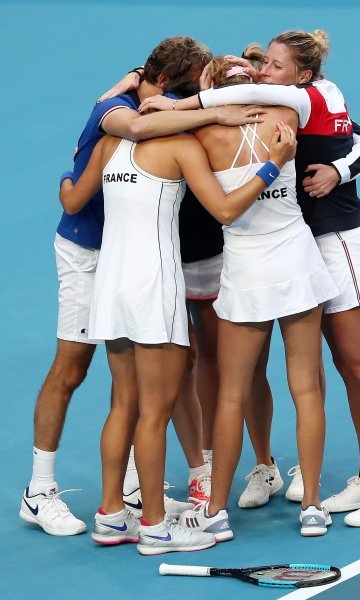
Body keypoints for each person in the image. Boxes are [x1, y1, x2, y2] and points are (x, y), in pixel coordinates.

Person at [19, 35, 265, 537]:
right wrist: (232, 128)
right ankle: (57, 496)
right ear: (164, 88)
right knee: (95, 378)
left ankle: (119, 506)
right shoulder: (120, 116)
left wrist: (68, 180)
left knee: (126, 397)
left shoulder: (128, 127)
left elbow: (71, 194)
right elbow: (216, 203)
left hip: (114, 268)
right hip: (105, 262)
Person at [178, 29, 360, 526]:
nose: (266, 72)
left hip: (340, 245)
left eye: (275, 66)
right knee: (347, 373)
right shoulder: (293, 108)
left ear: (302, 78)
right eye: (262, 64)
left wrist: (338, 170)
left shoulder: (309, 101)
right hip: (307, 252)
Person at [59, 113, 297, 552]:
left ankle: (111, 516)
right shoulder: (182, 148)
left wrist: (68, 168)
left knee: (122, 404)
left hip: (110, 286)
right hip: (154, 289)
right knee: (155, 412)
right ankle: (154, 527)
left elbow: (71, 199)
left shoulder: (111, 143)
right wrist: (273, 164)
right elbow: (225, 209)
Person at [173, 56, 339, 540]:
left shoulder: (199, 134)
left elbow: (155, 123)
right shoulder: (287, 117)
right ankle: (311, 507)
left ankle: (216, 512)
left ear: (211, 86)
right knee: (306, 388)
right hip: (297, 263)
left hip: (246, 271)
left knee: (230, 394)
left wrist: (203, 98)